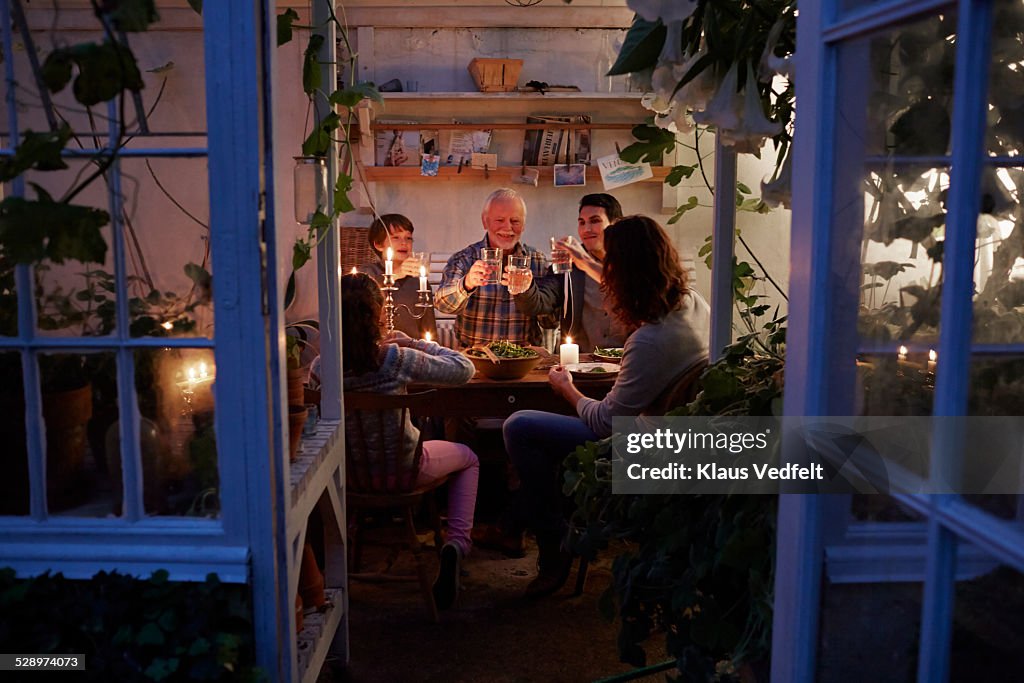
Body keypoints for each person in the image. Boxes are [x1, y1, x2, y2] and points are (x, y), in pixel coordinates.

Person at [503, 215, 710, 598]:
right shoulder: (691, 304)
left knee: (520, 425)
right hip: (678, 436)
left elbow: (605, 423)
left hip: (647, 449)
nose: (607, 274)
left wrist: (567, 388)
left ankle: (554, 540)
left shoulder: (649, 341)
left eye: (611, 266)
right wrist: (584, 261)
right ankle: (553, 516)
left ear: (626, 273)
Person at [341, 272, 478, 609]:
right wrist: (414, 342)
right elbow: (463, 369)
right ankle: (457, 545)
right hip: (405, 471)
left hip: (352, 477)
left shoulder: (321, 367)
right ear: (376, 315)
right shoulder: (393, 359)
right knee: (469, 457)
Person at [434, 188, 551, 348]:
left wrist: (529, 293)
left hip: (523, 359)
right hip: (475, 358)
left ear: (523, 225)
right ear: (485, 221)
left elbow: (551, 322)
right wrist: (466, 284)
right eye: (499, 220)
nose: (508, 227)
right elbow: (442, 305)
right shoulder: (464, 258)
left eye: (515, 221)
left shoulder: (537, 260)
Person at [513, 193, 627, 352]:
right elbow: (540, 304)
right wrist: (524, 288)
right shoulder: (568, 263)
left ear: (615, 224)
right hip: (580, 363)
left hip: (627, 361)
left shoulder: (633, 263)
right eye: (582, 222)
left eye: (595, 221)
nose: (587, 229)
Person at [358, 214, 437, 340]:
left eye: (409, 238)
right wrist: (396, 274)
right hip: (379, 348)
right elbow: (362, 297)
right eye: (396, 238)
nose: (404, 243)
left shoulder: (418, 281)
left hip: (412, 350)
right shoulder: (367, 273)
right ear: (378, 244)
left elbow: (428, 327)